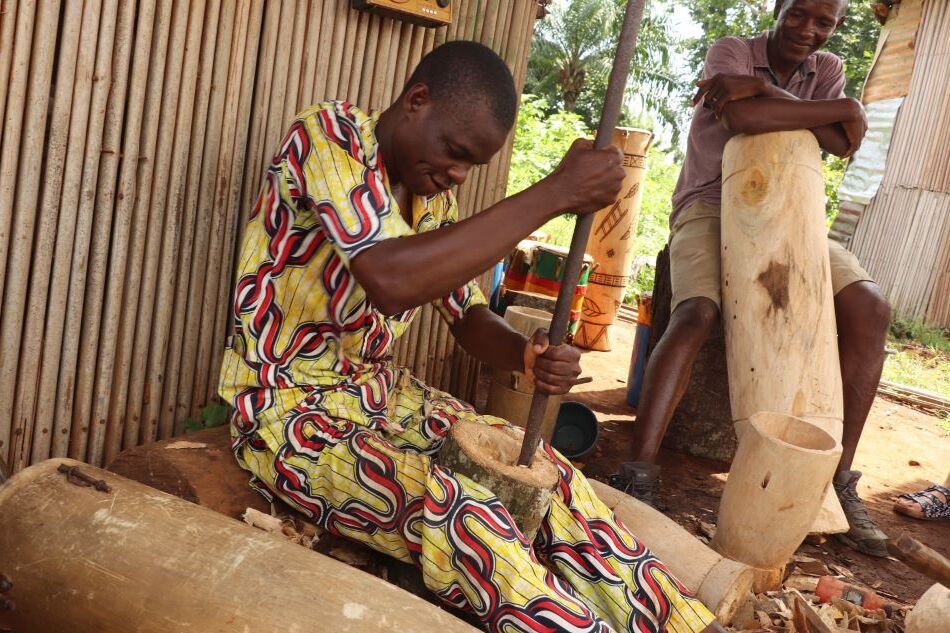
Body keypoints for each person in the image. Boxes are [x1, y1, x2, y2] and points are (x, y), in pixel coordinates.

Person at [219, 40, 719, 633]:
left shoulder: (432, 200)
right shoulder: (330, 136)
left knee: (547, 475)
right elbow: (391, 279)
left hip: (383, 399)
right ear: (417, 101)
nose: (456, 174)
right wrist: (554, 193)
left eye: (469, 165)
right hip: (286, 411)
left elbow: (467, 315)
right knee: (465, 516)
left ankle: (687, 625)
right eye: (455, 152)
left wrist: (524, 354)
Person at [615, 0, 893, 558]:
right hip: (710, 206)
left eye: (824, 22)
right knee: (696, 313)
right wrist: (835, 111)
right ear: (778, 8)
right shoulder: (731, 52)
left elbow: (842, 142)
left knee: (869, 306)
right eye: (798, 14)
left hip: (790, 214)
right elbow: (742, 122)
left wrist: (795, 97)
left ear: (836, 27)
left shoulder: (828, 70)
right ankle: (637, 470)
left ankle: (836, 480)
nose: (807, 30)